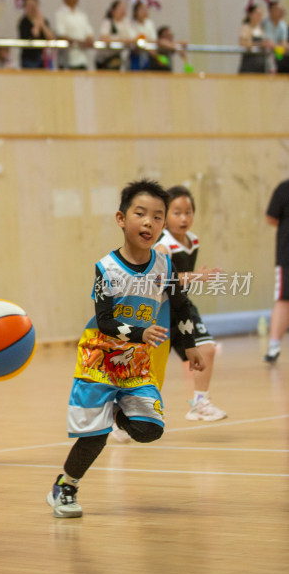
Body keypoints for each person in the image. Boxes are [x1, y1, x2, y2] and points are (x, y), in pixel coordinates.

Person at [47, 179, 204, 518]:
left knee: (151, 429)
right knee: (94, 437)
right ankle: (66, 486)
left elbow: (180, 307)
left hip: (135, 360)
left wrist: (189, 347)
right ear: (121, 219)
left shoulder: (165, 266)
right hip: (98, 360)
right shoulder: (106, 268)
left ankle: (119, 414)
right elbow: (104, 321)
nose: (149, 222)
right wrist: (139, 332)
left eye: (158, 217)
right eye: (140, 213)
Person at [155, 186, 227, 420]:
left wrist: (194, 277)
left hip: (181, 306)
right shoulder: (163, 245)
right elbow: (162, 280)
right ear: (164, 217)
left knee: (206, 349)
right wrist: (197, 276)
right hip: (159, 312)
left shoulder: (192, 240)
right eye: (177, 213)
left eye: (188, 212)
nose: (184, 218)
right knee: (148, 371)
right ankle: (121, 416)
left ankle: (200, 403)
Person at [264, 179, 289, 363]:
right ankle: (273, 347)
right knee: (283, 298)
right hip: (287, 256)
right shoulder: (284, 188)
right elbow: (271, 217)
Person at [54, 0, 94, 70]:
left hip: (82, 59)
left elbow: (89, 33)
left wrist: (88, 40)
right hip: (67, 60)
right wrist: (80, 42)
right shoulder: (60, 14)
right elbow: (61, 35)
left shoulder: (81, 15)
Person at [18, 0, 54, 69]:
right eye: (29, 6)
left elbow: (51, 37)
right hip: (30, 59)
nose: (32, 8)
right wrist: (37, 24)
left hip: (43, 58)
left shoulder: (44, 21)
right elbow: (35, 35)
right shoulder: (23, 22)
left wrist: (42, 24)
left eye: (34, 5)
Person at [95, 0, 130, 71]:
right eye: (120, 8)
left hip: (120, 56)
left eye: (124, 8)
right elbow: (104, 38)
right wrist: (122, 40)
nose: (123, 11)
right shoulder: (108, 22)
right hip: (106, 57)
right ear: (113, 11)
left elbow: (132, 38)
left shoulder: (126, 23)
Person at [128, 1, 157, 70]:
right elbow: (134, 39)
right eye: (141, 9)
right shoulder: (132, 24)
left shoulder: (150, 23)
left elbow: (153, 39)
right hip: (135, 54)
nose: (144, 11)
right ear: (135, 12)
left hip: (149, 54)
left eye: (145, 9)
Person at [238, 4, 267, 74]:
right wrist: (259, 44)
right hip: (249, 63)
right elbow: (243, 43)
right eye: (257, 14)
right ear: (250, 15)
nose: (259, 16)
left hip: (260, 64)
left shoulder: (260, 28)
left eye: (260, 14)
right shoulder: (246, 27)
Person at [262, 0, 289, 74]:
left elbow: (284, 43)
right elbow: (269, 44)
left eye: (282, 10)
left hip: (278, 55)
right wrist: (280, 47)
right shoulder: (266, 24)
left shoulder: (283, 25)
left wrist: (279, 48)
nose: (281, 12)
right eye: (278, 10)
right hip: (265, 58)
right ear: (270, 11)